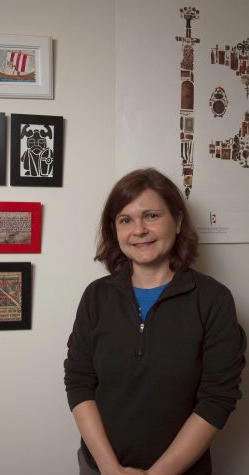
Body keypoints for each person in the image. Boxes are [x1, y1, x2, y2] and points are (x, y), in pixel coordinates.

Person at [64, 168, 246, 475]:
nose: (139, 230)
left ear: (177, 221)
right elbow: (79, 383)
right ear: (115, 230)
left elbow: (217, 400)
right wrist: (110, 469)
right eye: (125, 220)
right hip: (100, 468)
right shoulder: (96, 297)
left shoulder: (214, 300)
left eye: (151, 215)